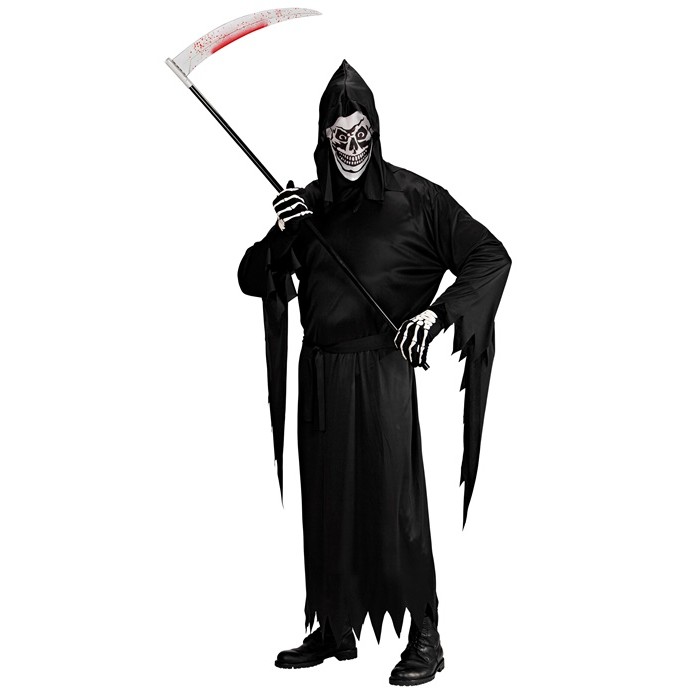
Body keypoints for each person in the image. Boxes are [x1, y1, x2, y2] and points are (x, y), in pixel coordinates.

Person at [237, 59, 511, 686]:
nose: (352, 148)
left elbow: (490, 255)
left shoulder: (416, 200)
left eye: (361, 134)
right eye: (340, 137)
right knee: (327, 501)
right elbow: (251, 278)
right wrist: (280, 235)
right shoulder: (306, 207)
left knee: (395, 505)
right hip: (320, 373)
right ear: (324, 138)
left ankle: (426, 636)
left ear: (375, 131)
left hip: (383, 370)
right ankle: (334, 627)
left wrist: (437, 315)